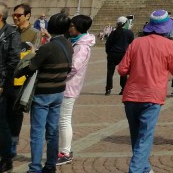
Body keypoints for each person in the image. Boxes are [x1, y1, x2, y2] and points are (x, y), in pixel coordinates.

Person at [117, 9, 173, 173]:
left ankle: (145, 168)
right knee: (145, 137)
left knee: (137, 136)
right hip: (152, 96)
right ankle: (136, 170)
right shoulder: (169, 45)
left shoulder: (136, 43)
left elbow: (122, 69)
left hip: (131, 96)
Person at [16, 12, 73, 173]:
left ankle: (35, 167)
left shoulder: (48, 47)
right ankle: (50, 165)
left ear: (50, 27)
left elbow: (31, 67)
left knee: (37, 132)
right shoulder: (68, 45)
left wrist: (32, 54)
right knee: (52, 131)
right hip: (59, 92)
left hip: (43, 94)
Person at [56, 14, 95, 166]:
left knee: (64, 120)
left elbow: (73, 67)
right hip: (65, 85)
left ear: (79, 27)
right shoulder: (75, 42)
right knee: (62, 120)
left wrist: (57, 75)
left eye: (72, 25)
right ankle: (64, 150)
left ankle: (65, 152)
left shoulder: (82, 46)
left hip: (69, 87)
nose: (70, 28)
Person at [0, 4, 21, 172]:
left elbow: (13, 61)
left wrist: (1, 84)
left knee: (2, 123)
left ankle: (7, 158)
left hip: (2, 86)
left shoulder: (12, 34)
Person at [104, 16, 134, 96]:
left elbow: (108, 44)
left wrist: (109, 52)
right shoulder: (129, 33)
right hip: (123, 54)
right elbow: (131, 44)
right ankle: (123, 89)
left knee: (110, 72)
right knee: (123, 72)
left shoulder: (113, 32)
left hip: (112, 54)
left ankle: (108, 89)